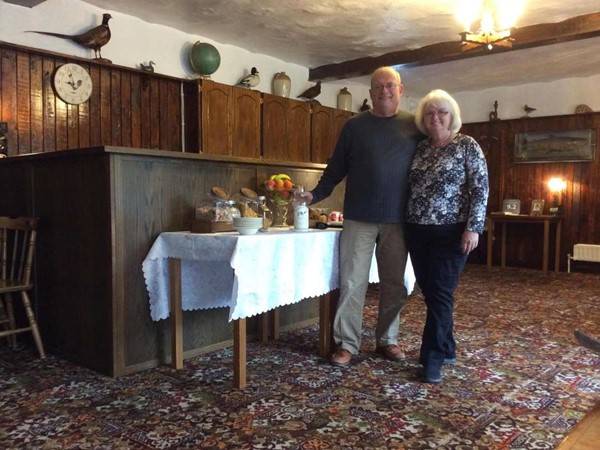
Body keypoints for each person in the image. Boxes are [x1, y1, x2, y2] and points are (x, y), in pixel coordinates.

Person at [302, 66, 422, 367]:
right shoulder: (354, 126)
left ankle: (388, 340)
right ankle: (347, 343)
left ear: (401, 90)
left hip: (398, 221)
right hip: (358, 218)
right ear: (370, 93)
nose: (384, 91)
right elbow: (335, 170)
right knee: (353, 282)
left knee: (394, 283)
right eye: (378, 86)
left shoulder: (415, 126)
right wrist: (313, 196)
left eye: (390, 85)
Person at [405, 89, 489, 383]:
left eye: (442, 112)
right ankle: (448, 346)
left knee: (441, 293)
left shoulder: (467, 145)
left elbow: (480, 189)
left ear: (452, 116)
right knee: (432, 294)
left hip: (452, 232)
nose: (435, 117)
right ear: (423, 120)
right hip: (416, 230)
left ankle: (432, 358)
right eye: (430, 113)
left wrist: (473, 227)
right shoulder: (420, 148)